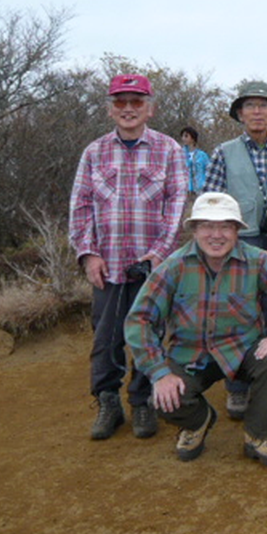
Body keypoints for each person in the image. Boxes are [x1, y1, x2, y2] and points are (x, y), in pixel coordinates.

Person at [124, 193, 267, 467]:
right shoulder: (174, 267)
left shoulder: (257, 261)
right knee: (165, 397)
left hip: (242, 351)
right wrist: (159, 372)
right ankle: (198, 422)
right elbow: (139, 319)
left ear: (237, 230)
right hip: (190, 356)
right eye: (207, 226)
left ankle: (258, 435)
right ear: (194, 230)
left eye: (225, 226)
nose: (216, 235)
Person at [68, 73, 188, 441]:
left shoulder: (169, 150)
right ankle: (108, 402)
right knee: (105, 339)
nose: (128, 109)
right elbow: (81, 205)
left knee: (148, 334)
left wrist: (158, 256)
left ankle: (142, 401)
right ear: (110, 109)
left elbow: (177, 206)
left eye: (136, 102)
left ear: (150, 108)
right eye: (121, 102)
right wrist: (88, 255)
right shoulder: (94, 151)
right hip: (108, 265)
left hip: (152, 266)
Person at [203, 81, 267, 420]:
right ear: (240, 114)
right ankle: (238, 389)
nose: (257, 112)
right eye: (250, 106)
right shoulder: (223, 152)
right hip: (239, 242)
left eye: (264, 106)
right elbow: (211, 203)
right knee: (240, 314)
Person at [180, 126, 210, 195]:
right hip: (184, 190)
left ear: (192, 138)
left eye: (186, 136)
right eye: (182, 136)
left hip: (200, 190)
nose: (183, 139)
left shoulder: (202, 155)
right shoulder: (179, 154)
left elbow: (208, 170)